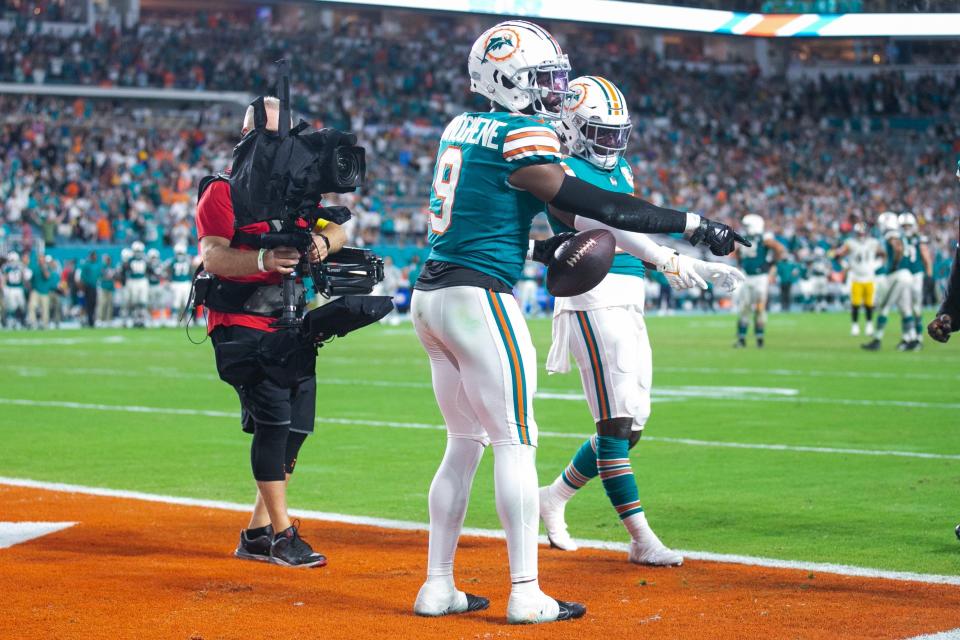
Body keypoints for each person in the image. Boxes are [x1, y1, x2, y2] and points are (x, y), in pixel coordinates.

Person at [410, 20, 744, 625]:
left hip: (431, 295)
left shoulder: (462, 125)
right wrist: (691, 225)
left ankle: (439, 586)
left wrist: (644, 250)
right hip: (479, 297)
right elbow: (594, 205)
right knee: (515, 441)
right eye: (541, 77)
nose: (551, 89)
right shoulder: (521, 131)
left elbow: (546, 209)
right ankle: (525, 591)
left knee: (464, 444)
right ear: (508, 79)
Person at [537, 75, 744, 566]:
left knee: (631, 428)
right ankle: (641, 539)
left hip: (631, 295)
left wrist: (673, 262)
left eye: (616, 133)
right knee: (614, 423)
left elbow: (630, 226)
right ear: (572, 125)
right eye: (601, 132)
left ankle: (554, 496)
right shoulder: (559, 170)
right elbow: (604, 226)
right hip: (591, 294)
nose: (611, 143)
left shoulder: (622, 169)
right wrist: (678, 258)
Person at [196, 96, 347, 569]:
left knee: (296, 430)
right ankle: (284, 535)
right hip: (240, 320)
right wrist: (262, 260)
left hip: (292, 320)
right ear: (251, 136)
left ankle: (257, 532)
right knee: (274, 419)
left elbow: (339, 226)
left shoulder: (296, 193)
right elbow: (213, 255)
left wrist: (323, 241)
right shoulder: (221, 191)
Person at [734, 214, 785, 348]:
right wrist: (741, 263)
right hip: (746, 276)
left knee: (760, 308)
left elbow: (779, 249)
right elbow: (737, 253)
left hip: (760, 277)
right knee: (744, 308)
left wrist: (772, 263)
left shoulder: (764, 237)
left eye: (747, 225)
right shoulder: (745, 238)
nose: (745, 228)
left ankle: (759, 338)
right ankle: (741, 339)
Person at [833, 222, 883, 337]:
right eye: (859, 233)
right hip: (856, 276)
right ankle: (855, 325)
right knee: (855, 303)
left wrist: (876, 265)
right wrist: (845, 266)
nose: (861, 235)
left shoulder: (873, 243)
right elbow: (837, 255)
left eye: (862, 233)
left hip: (869, 277)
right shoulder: (850, 243)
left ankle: (869, 325)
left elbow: (883, 255)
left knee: (869, 303)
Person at [897, 212, 932, 351]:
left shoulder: (916, 239)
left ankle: (917, 337)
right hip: (906, 274)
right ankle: (908, 337)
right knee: (904, 307)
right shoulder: (901, 238)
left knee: (915, 308)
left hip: (915, 274)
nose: (906, 228)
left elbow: (926, 256)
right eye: (903, 225)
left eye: (908, 225)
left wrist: (929, 275)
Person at [122, 242, 150, 327]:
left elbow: (149, 270)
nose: (138, 253)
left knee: (142, 302)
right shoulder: (130, 260)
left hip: (142, 280)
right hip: (133, 281)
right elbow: (124, 270)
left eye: (139, 251)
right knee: (134, 302)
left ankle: (142, 320)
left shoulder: (145, 259)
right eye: (136, 251)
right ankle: (134, 319)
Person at [2, 252, 29, 328]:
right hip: (10, 288)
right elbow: (5, 277)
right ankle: (13, 320)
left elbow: (23, 277)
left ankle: (23, 320)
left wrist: (26, 286)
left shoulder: (20, 267)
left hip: (19, 288)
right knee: (12, 306)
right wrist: (3, 287)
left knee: (22, 305)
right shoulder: (6, 268)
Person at [168, 244, 194, 318]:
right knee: (177, 302)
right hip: (178, 283)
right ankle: (176, 318)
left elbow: (191, 273)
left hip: (183, 283)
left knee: (184, 301)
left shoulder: (172, 261)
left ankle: (187, 317)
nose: (180, 255)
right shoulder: (187, 261)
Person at [77, 250, 100, 328]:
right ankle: (90, 321)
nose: (95, 257)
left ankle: (92, 320)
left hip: (94, 287)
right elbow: (82, 277)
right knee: (89, 305)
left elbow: (98, 275)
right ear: (91, 256)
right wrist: (83, 287)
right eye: (94, 256)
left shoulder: (96, 265)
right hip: (88, 287)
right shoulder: (86, 265)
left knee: (94, 304)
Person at [97, 255, 117, 326]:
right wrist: (107, 277)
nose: (108, 261)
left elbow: (115, 277)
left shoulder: (112, 267)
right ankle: (100, 319)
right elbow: (100, 276)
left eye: (109, 259)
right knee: (102, 303)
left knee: (110, 304)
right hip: (104, 287)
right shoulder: (103, 267)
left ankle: (109, 319)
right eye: (107, 259)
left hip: (110, 288)